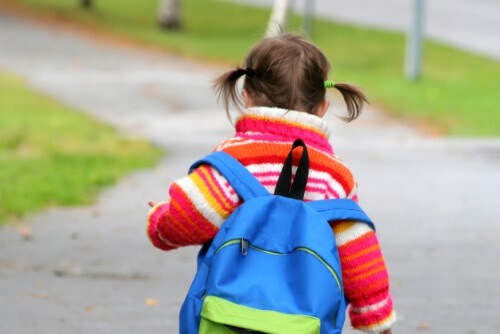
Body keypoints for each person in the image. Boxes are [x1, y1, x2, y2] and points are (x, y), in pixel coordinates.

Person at [146, 32, 396, 334]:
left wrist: (159, 220)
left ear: (246, 96)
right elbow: (359, 253)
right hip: (304, 323)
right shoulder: (334, 176)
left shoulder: (234, 160)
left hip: (226, 318)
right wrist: (376, 320)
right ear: (323, 106)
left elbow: (186, 218)